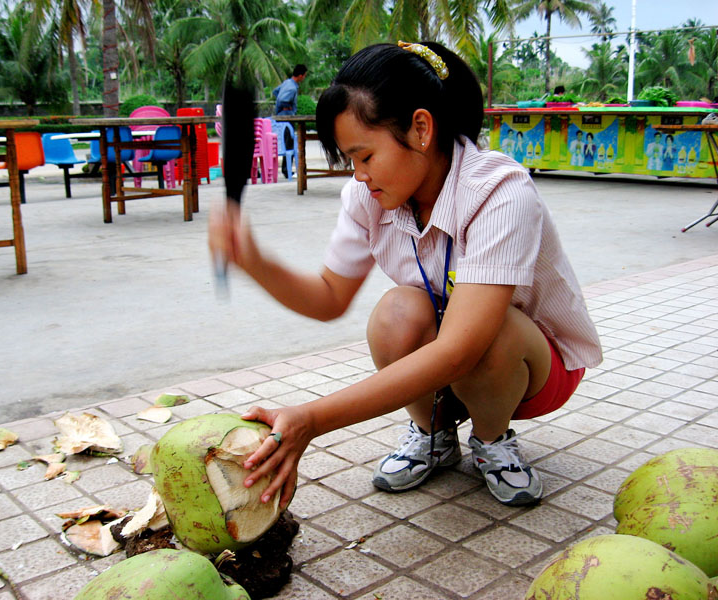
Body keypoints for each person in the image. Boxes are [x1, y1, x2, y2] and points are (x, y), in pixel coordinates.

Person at [209, 41, 601, 509]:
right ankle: (432, 433)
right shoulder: (369, 196)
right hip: (452, 364)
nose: (358, 176)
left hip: (533, 368)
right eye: (350, 161)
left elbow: (459, 350)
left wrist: (311, 418)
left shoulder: (499, 191)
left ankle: (493, 439)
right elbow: (329, 297)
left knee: (490, 334)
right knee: (397, 311)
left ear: (420, 128)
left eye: (365, 156)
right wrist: (253, 259)